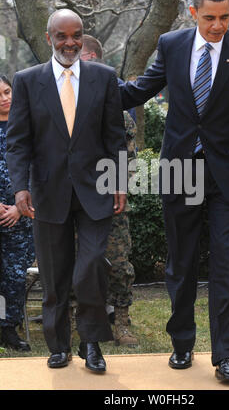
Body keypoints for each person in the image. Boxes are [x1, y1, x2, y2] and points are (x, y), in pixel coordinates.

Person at [119, 0, 229, 383]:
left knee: (227, 264)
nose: (218, 25)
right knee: (182, 263)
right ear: (193, 13)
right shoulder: (171, 44)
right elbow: (140, 90)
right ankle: (182, 345)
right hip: (180, 169)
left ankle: (225, 356)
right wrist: (91, 85)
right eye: (210, 17)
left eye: (225, 17)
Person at [6, 9, 127, 373]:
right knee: (55, 275)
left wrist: (120, 180)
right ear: (49, 38)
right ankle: (59, 346)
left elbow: (114, 136)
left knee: (88, 268)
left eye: (76, 35)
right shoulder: (27, 81)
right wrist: (20, 188)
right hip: (47, 192)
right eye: (62, 36)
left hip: (96, 191)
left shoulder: (104, 78)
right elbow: (17, 142)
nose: (70, 42)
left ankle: (91, 343)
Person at [81, 34, 138, 347]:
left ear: (93, 59)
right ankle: (79, 318)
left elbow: (127, 159)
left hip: (111, 198)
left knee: (118, 264)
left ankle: (123, 322)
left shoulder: (118, 111)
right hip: (76, 199)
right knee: (78, 262)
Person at [0, 75, 35, 351]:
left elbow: (42, 168)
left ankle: (8, 328)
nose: (4, 98)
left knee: (14, 276)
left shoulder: (28, 126)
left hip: (21, 217)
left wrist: (19, 209)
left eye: (7, 91)